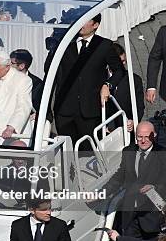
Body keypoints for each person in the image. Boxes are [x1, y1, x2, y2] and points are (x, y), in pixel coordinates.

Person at [104, 121, 166, 241]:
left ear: (154, 136)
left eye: (146, 137)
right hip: (131, 214)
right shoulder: (128, 151)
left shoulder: (163, 153)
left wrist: (154, 186)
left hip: (152, 215)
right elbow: (120, 176)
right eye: (139, 137)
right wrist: (102, 192)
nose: (142, 140)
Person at [51, 14, 124, 144]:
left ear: (95, 25)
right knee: (66, 151)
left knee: (88, 151)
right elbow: (50, 71)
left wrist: (108, 85)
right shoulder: (65, 43)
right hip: (64, 110)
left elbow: (119, 71)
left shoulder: (104, 45)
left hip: (90, 110)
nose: (81, 24)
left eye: (85, 21)